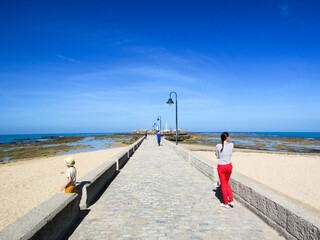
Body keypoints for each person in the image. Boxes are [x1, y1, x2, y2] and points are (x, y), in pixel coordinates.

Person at [215, 132, 234, 209]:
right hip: (229, 165)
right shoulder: (232, 145)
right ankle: (231, 200)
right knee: (226, 183)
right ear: (228, 137)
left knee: (223, 184)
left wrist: (216, 155)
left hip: (221, 166)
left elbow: (218, 157)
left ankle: (226, 203)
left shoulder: (218, 146)